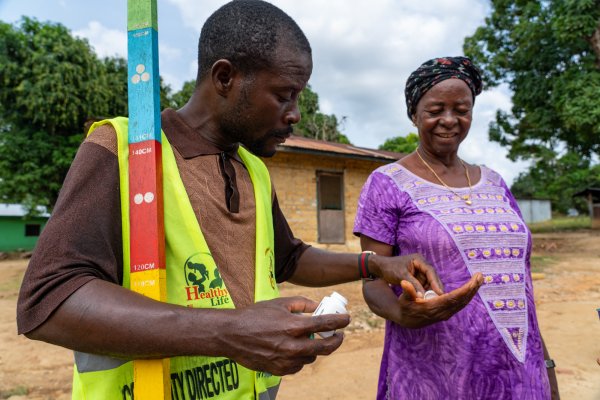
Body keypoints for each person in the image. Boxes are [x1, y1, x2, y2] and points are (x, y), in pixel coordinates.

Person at [17, 3, 481, 399]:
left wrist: (374, 265)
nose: (296, 113)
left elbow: (289, 258)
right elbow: (50, 300)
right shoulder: (125, 150)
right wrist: (230, 331)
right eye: (284, 95)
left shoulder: (253, 169)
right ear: (225, 77)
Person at [354, 56, 559, 399]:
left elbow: (518, 290)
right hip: (436, 371)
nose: (449, 120)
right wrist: (402, 314)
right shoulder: (386, 184)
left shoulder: (495, 183)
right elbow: (372, 280)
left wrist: (546, 368)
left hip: (519, 372)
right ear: (414, 114)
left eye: (461, 109)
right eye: (436, 110)